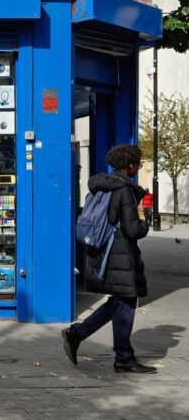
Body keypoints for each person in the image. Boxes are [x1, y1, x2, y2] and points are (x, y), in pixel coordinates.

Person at [62, 144, 155, 374]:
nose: (137, 168)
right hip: (120, 257)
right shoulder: (124, 191)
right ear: (130, 165)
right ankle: (123, 357)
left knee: (120, 302)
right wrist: (146, 219)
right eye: (137, 164)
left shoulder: (100, 186)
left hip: (103, 253)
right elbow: (133, 230)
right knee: (125, 301)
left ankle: (78, 334)